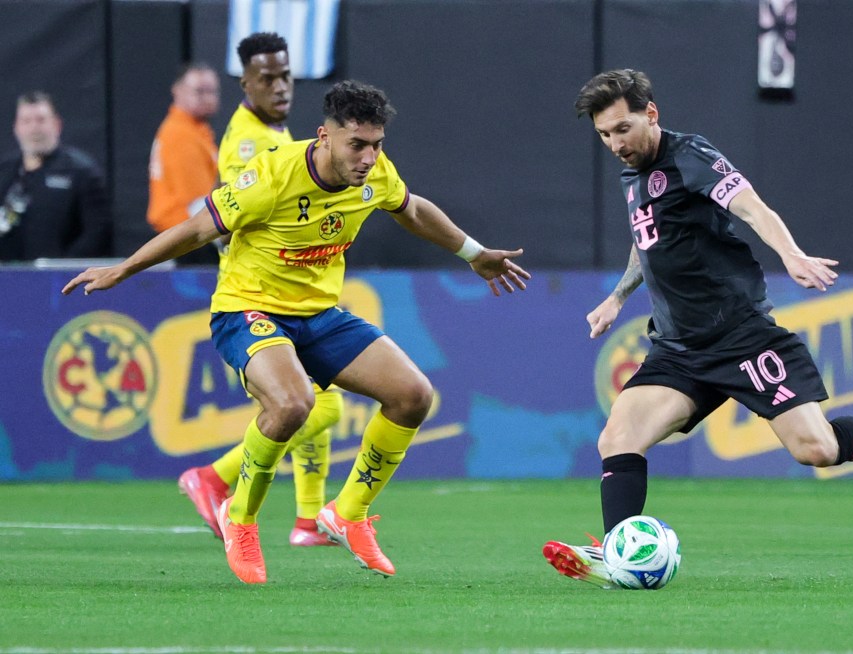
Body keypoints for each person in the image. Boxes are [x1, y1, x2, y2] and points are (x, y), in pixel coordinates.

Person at [63, 79, 530, 585]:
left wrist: (473, 253)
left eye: (376, 145)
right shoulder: (272, 173)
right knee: (292, 403)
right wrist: (124, 268)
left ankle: (347, 513)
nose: (368, 158)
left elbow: (412, 209)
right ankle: (239, 517)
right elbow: (200, 227)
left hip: (319, 316)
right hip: (247, 308)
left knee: (413, 395)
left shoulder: (375, 173)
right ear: (323, 137)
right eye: (357, 145)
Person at [542, 69, 853, 589]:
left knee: (817, 449)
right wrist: (616, 297)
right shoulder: (632, 172)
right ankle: (618, 556)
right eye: (605, 134)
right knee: (618, 437)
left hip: (742, 336)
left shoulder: (691, 156)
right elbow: (645, 237)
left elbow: (751, 206)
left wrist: (790, 255)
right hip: (679, 348)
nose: (615, 143)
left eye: (623, 129)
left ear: (651, 113)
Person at [177, 32, 341, 548]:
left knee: (313, 404)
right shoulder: (252, 142)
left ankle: (306, 520)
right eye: (266, 78)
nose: (280, 86)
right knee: (315, 405)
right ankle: (220, 479)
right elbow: (227, 220)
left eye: (286, 74)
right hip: (259, 298)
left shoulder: (274, 130)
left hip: (288, 292)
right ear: (244, 82)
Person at [0, 91, 110, 261]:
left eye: (41, 120)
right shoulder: (5, 172)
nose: (34, 128)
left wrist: (61, 267)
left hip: (58, 278)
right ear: (16, 127)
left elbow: (97, 231)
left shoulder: (81, 171)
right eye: (26, 121)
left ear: (56, 124)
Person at [146, 63, 221, 265]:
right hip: (188, 242)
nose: (207, 98)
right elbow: (198, 205)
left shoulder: (193, 131)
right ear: (177, 91)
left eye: (212, 91)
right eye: (199, 91)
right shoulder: (181, 135)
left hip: (185, 238)